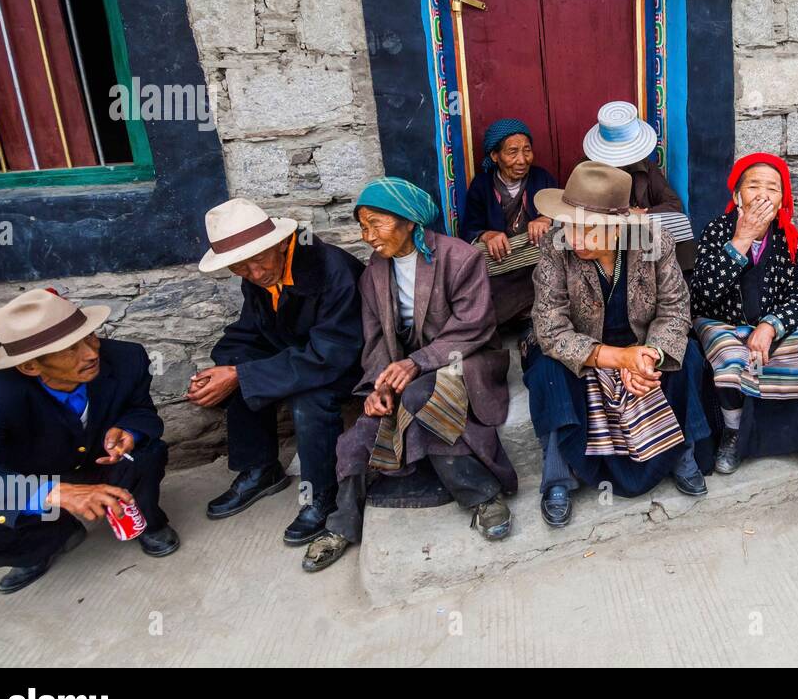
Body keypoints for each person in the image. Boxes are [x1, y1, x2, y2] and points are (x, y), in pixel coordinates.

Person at [303, 178, 518, 572]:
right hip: (407, 369)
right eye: (363, 226)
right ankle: (342, 523)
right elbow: (374, 340)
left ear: (409, 222)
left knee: (421, 396)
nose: (368, 236)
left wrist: (417, 362)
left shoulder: (460, 258)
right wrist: (377, 385)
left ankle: (483, 496)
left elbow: (474, 327)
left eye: (376, 224)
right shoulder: (373, 273)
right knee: (362, 431)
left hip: (465, 359)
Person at [522, 161, 708, 528]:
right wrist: (618, 359)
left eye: (589, 230)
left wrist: (649, 358)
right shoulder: (555, 247)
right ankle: (559, 475)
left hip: (639, 345)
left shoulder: (655, 242)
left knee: (688, 356)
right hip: (582, 348)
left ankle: (679, 453)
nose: (575, 239)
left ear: (620, 228)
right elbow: (551, 328)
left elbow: (675, 309)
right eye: (570, 226)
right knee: (546, 370)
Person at [0, 289, 177, 595]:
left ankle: (148, 522)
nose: (91, 353)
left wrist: (129, 431)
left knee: (149, 451)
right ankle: (48, 540)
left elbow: (142, 411)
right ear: (31, 366)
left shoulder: (127, 358)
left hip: (103, 466)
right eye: (70, 349)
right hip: (40, 480)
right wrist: (54, 493)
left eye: (90, 337)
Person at [192, 199, 364, 546]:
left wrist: (243, 374)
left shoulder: (331, 271)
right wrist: (225, 367)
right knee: (236, 362)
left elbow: (332, 353)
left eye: (258, 260)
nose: (255, 274)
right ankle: (261, 468)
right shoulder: (257, 275)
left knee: (307, 399)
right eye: (240, 268)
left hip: (348, 360)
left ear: (280, 243)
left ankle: (318, 495)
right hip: (301, 351)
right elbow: (252, 328)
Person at [690, 153, 798, 474]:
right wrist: (741, 239)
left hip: (770, 323)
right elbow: (704, 292)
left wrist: (770, 325)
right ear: (737, 195)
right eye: (753, 186)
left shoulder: (788, 237)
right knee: (729, 356)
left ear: (783, 199)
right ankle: (734, 433)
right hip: (722, 321)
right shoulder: (717, 230)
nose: (763, 195)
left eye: (773, 189)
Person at [460, 118, 557, 326]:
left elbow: (566, 216)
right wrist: (486, 235)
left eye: (527, 150)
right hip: (503, 267)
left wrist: (547, 217)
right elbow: (468, 230)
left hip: (538, 264)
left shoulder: (542, 179)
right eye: (512, 152)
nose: (522, 160)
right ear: (495, 156)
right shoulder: (482, 186)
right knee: (484, 305)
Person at [582, 101, 696, 271]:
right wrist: (624, 215)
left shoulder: (645, 167)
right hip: (603, 229)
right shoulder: (586, 170)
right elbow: (581, 212)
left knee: (680, 222)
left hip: (641, 228)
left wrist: (642, 213)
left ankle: (681, 279)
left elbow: (673, 204)